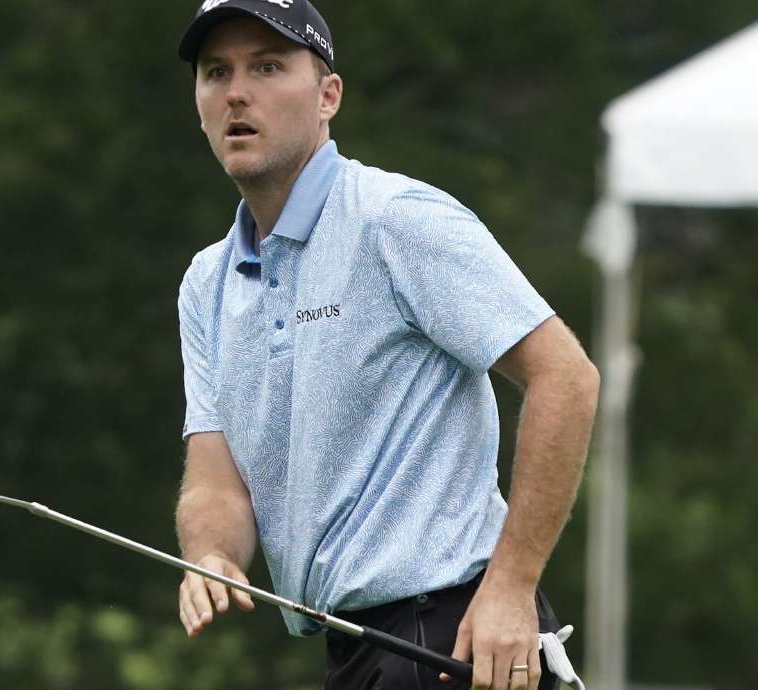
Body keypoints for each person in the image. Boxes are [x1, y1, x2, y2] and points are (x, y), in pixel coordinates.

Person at [172, 2, 600, 689]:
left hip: (457, 635)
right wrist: (214, 553)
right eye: (216, 73)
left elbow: (567, 376)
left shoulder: (394, 221)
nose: (237, 92)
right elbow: (216, 480)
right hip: (355, 649)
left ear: (328, 97)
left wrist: (512, 586)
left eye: (268, 66)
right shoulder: (206, 284)